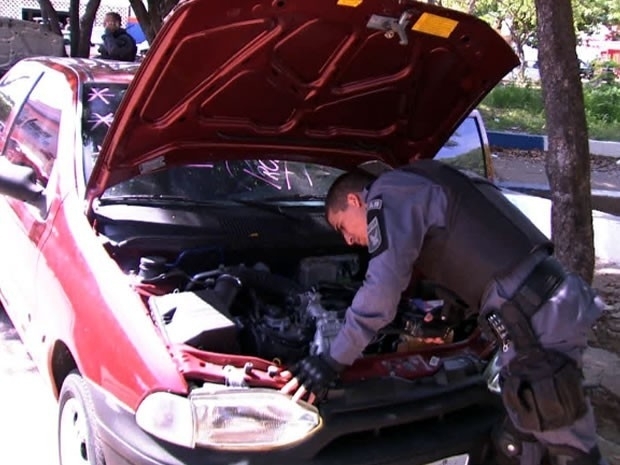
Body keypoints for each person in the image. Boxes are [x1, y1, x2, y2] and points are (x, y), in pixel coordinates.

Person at [280, 159, 607, 465]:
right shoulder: (422, 180)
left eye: (342, 227)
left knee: (561, 433)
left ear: (355, 200)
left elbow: (380, 294)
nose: (349, 241)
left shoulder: (387, 194)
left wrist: (332, 359)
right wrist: (452, 312)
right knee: (523, 435)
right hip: (544, 303)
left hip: (535, 316)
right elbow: (475, 245)